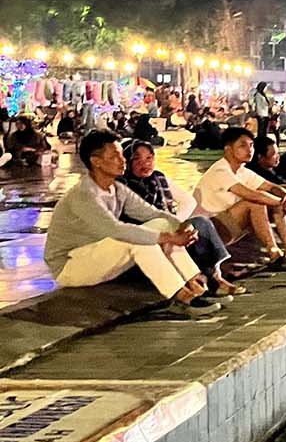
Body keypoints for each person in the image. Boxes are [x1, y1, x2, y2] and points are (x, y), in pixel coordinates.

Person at [44, 131, 221, 317]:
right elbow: (116, 230)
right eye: (114, 156)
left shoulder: (117, 189)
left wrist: (181, 226)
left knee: (161, 223)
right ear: (96, 161)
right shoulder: (84, 195)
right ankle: (182, 298)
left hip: (99, 255)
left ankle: (196, 284)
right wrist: (170, 237)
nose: (122, 161)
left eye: (121, 154)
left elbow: (152, 213)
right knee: (137, 240)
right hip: (70, 266)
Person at [121, 140, 245, 300]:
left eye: (149, 158)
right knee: (168, 232)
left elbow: (188, 202)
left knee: (201, 223)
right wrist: (171, 227)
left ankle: (215, 278)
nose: (145, 163)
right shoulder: (121, 186)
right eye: (137, 159)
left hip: (170, 234)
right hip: (144, 246)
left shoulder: (159, 178)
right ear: (127, 162)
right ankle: (194, 285)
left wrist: (177, 223)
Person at [193, 127, 286, 270]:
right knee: (256, 203)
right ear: (228, 149)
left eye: (251, 145)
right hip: (209, 230)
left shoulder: (243, 171)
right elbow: (253, 195)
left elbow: (271, 187)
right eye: (243, 146)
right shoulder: (220, 170)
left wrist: (284, 195)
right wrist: (283, 202)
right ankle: (274, 252)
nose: (249, 150)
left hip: (227, 224)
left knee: (271, 201)